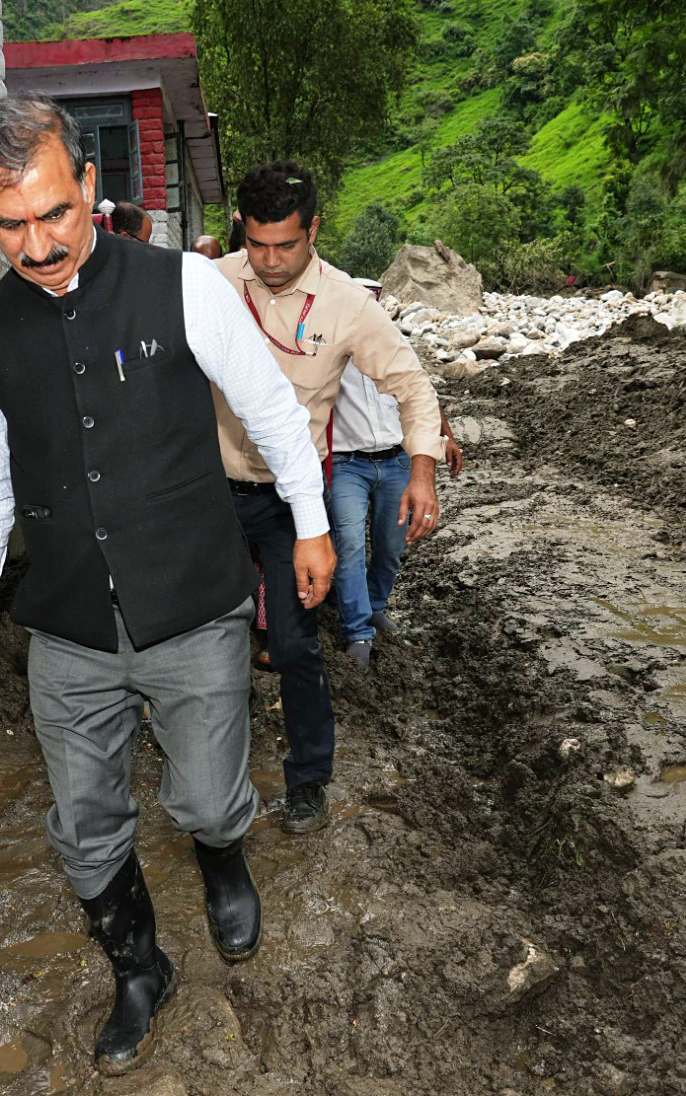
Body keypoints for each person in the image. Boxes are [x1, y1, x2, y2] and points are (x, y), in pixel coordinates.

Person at [0, 94, 334, 1076]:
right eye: (8, 224)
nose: (34, 245)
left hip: (192, 607)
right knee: (83, 827)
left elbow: (275, 413)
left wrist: (313, 525)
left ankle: (220, 854)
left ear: (89, 183)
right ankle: (138, 966)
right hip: (70, 625)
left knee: (205, 795)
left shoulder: (183, 290)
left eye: (53, 214)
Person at [212, 161, 444, 835]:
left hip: (295, 504)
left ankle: (309, 778)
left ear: (314, 228)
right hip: (209, 495)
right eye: (258, 244)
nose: (272, 260)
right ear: (241, 232)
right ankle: (210, 773)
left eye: (287, 244)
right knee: (205, 640)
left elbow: (414, 386)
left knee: (292, 644)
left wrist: (422, 470)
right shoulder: (214, 286)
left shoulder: (348, 304)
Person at [330, 361, 465, 666]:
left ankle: (374, 605)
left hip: (396, 461)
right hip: (345, 463)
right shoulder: (331, 340)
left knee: (391, 545)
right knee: (349, 545)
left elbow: (421, 392)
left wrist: (447, 435)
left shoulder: (387, 343)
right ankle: (357, 632)